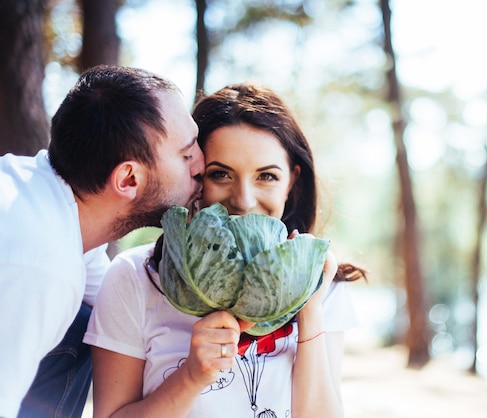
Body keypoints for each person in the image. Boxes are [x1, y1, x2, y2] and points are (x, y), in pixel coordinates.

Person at [84, 83, 366, 418]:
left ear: (292, 181)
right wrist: (191, 376)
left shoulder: (324, 284)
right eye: (221, 174)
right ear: (196, 175)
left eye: (266, 176)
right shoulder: (136, 276)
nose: (244, 200)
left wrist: (307, 305)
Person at [0, 65, 204, 418]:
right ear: (127, 179)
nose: (201, 163)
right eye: (186, 155)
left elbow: (117, 306)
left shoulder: (50, 204)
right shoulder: (41, 265)